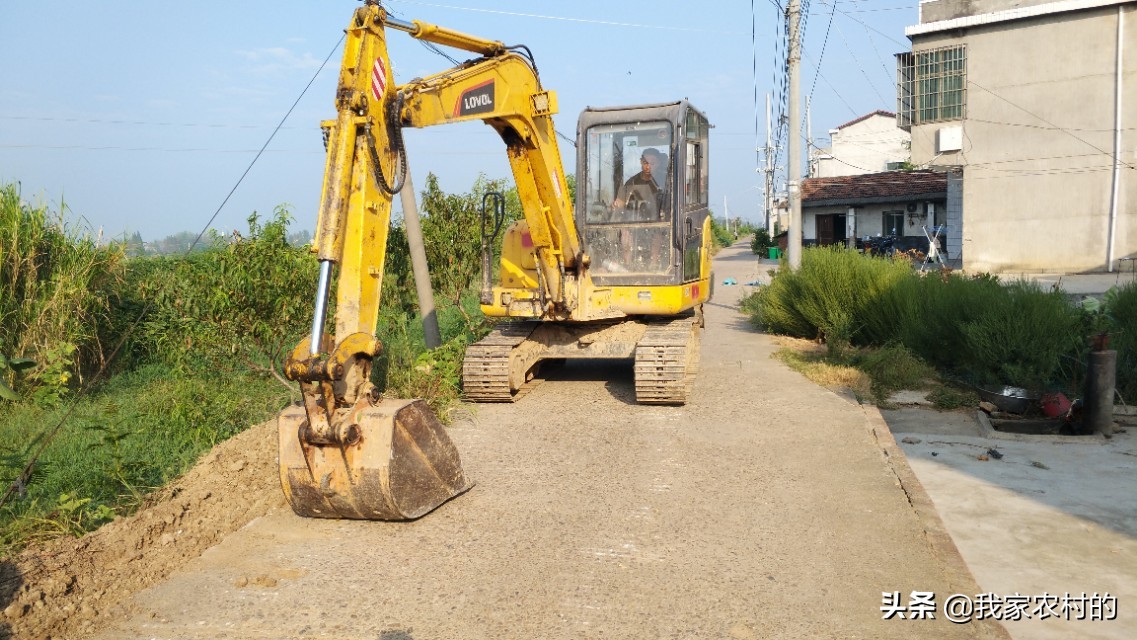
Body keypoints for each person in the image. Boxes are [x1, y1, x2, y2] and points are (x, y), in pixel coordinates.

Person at [612, 147, 666, 218]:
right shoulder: (632, 182)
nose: (648, 167)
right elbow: (620, 203)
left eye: (652, 163)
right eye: (645, 163)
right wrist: (617, 206)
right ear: (641, 162)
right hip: (635, 221)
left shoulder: (664, 180)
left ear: (658, 163)